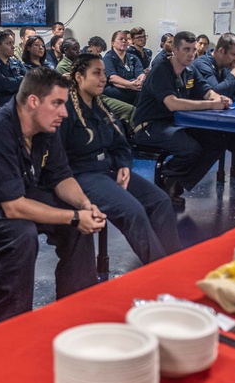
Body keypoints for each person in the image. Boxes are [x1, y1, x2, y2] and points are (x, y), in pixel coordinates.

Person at [0, 67, 105, 320]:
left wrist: (84, 206)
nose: (64, 113)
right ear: (33, 101)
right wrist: (74, 216)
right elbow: (13, 208)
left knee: (76, 223)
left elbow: (61, 177)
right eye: (57, 103)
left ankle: (76, 308)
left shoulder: (46, 126)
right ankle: (10, 320)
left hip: (7, 193)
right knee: (20, 232)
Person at [62, 53, 179, 264]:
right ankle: (160, 270)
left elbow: (120, 143)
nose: (103, 78)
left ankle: (172, 262)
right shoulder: (65, 110)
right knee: (133, 211)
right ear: (79, 77)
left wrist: (124, 165)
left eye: (104, 73)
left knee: (160, 201)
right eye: (96, 73)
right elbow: (58, 158)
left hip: (110, 170)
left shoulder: (102, 107)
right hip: (83, 176)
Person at [130, 31, 234, 207]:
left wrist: (218, 98)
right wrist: (211, 105)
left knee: (218, 141)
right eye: (186, 49)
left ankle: (173, 180)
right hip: (148, 126)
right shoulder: (161, 70)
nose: (191, 54)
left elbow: (206, 91)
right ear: (175, 50)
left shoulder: (190, 70)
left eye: (193, 49)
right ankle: (166, 180)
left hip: (174, 124)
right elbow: (172, 103)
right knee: (190, 148)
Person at [193, 33, 235, 100]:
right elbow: (215, 95)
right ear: (221, 51)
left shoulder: (227, 64)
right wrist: (234, 74)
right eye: (234, 55)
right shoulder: (202, 64)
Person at [102, 30, 144, 106]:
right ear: (113, 43)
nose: (124, 41)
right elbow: (112, 78)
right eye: (121, 39)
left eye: (126, 39)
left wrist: (140, 81)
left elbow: (140, 73)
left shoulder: (133, 58)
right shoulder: (108, 58)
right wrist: (130, 84)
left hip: (133, 87)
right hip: (114, 89)